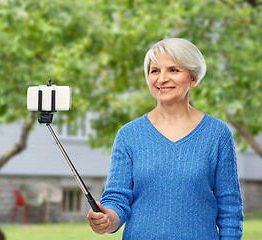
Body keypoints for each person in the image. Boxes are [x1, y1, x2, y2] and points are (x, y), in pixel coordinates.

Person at [87, 38, 244, 239]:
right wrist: (107, 219)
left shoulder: (217, 134)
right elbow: (117, 200)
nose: (162, 79)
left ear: (193, 78)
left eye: (173, 70)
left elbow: (230, 208)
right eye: (155, 71)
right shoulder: (128, 135)